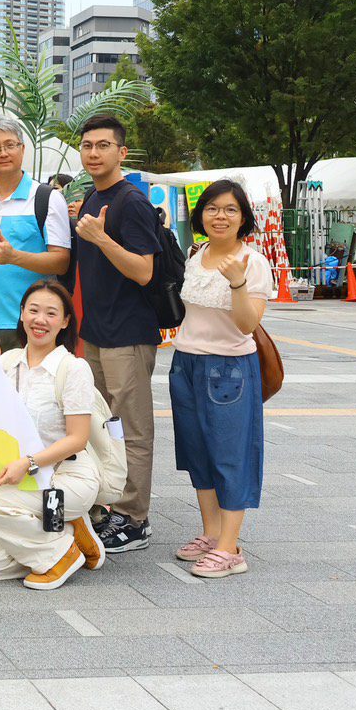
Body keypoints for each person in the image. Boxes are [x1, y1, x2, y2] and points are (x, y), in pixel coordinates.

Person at [0, 280, 103, 590]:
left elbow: (78, 439)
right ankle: (67, 532)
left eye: (51, 313)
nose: (40, 320)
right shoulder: (7, 362)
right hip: (25, 481)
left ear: (65, 321)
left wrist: (28, 462)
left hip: (66, 478)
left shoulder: (73, 369)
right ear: (22, 313)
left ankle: (62, 554)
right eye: (33, 310)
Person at [170, 180, 273, 579]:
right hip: (186, 363)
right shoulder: (195, 256)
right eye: (212, 208)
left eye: (230, 209)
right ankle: (212, 534)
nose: (220, 216)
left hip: (229, 370)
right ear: (201, 215)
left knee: (231, 455)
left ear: (243, 217)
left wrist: (237, 283)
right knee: (197, 452)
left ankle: (231, 549)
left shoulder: (253, 262)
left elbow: (247, 325)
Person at [73, 114, 160, 554]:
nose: (94, 153)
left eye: (103, 145)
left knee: (131, 429)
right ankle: (109, 505)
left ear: (121, 152)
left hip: (128, 333)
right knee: (101, 424)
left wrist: (102, 239)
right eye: (87, 145)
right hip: (97, 332)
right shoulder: (93, 196)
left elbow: (144, 271)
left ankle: (135, 518)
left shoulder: (132, 202)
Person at [0, 114, 71, 352]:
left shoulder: (46, 198)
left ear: (22, 149)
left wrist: (14, 257)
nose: (3, 153)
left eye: (10, 145)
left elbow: (61, 261)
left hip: (31, 325)